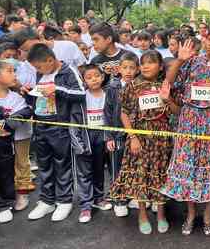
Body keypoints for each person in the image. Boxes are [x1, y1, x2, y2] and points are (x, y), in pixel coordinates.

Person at [162, 27, 210, 236]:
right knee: (189, 170)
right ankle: (191, 214)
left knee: (208, 170)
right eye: (208, 39)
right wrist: (180, 60)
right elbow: (170, 81)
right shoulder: (193, 61)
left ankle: (208, 214)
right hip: (188, 121)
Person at [110, 51, 179, 235]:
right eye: (143, 63)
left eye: (151, 63)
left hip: (162, 139)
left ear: (161, 66)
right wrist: (132, 137)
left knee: (160, 176)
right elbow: (123, 113)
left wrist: (167, 99)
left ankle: (161, 214)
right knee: (140, 176)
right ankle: (142, 215)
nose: (146, 66)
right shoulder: (132, 86)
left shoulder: (166, 85)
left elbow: (176, 111)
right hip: (139, 139)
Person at [26, 44, 86, 222]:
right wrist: (28, 93)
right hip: (40, 123)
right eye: (36, 68)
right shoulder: (40, 74)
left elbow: (81, 93)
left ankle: (64, 201)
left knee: (62, 164)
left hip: (59, 125)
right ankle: (47, 200)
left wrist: (58, 90)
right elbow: (37, 98)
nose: (38, 70)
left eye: (39, 66)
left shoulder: (68, 71)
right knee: (44, 164)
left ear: (50, 60)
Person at [104, 51, 140, 218]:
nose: (128, 71)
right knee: (116, 167)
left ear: (137, 69)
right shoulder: (112, 87)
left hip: (135, 134)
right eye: (125, 67)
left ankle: (132, 195)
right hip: (117, 134)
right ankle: (119, 199)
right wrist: (109, 136)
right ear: (118, 69)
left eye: (132, 68)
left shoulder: (140, 86)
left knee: (133, 166)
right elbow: (108, 111)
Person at [76, 64, 112, 223]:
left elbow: (111, 118)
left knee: (99, 169)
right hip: (86, 136)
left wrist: (108, 137)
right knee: (84, 172)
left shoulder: (108, 95)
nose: (94, 79)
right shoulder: (81, 97)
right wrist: (78, 141)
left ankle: (98, 199)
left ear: (102, 77)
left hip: (102, 136)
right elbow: (74, 121)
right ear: (84, 81)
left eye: (96, 76)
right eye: (89, 77)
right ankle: (85, 206)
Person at [0, 61, 33, 223]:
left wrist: (18, 118)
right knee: (5, 168)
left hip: (20, 137)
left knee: (22, 164)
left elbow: (27, 110)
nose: (14, 75)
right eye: (10, 71)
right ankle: (6, 197)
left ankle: (22, 193)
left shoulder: (17, 96)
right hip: (2, 142)